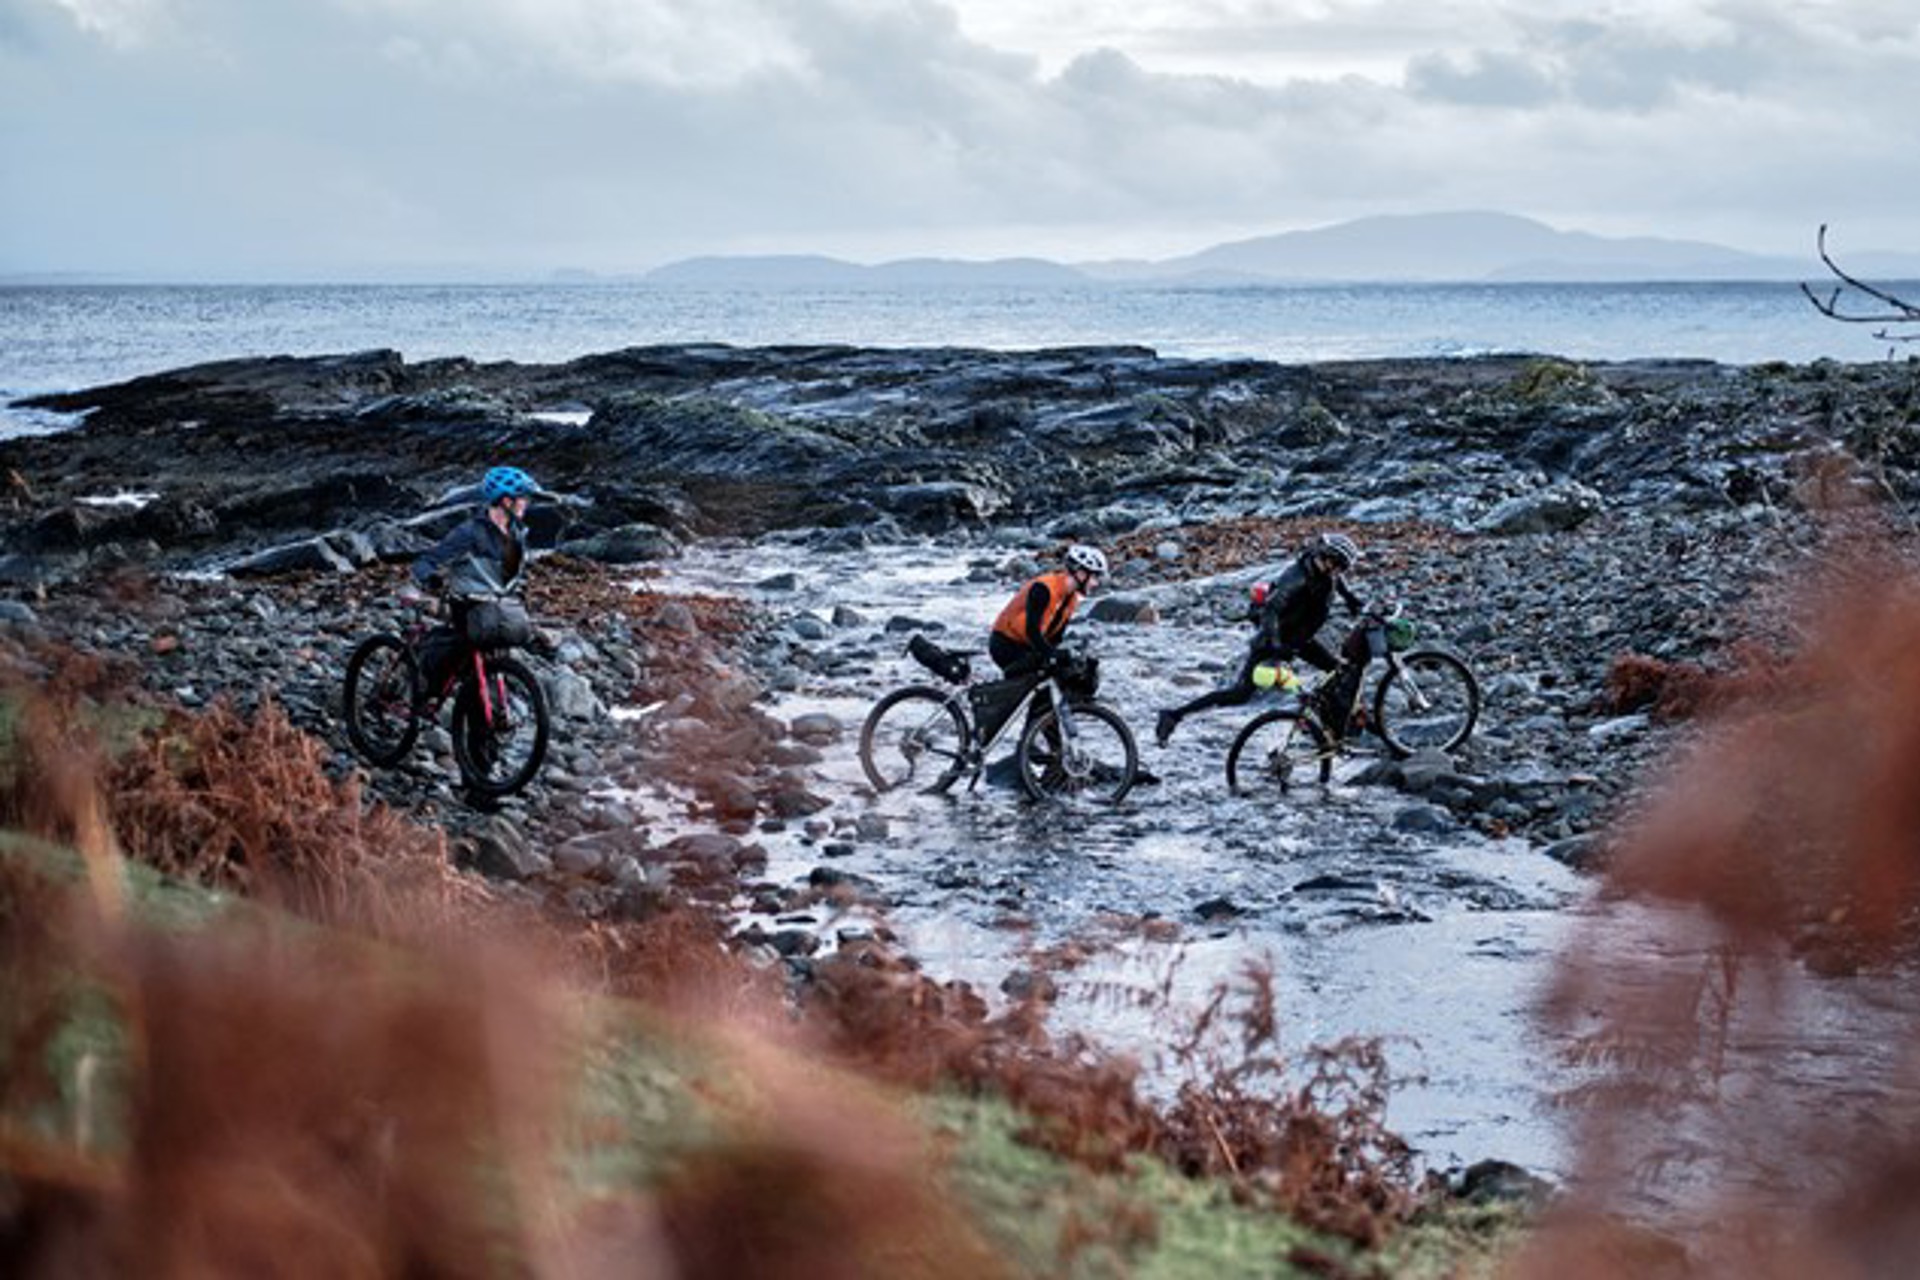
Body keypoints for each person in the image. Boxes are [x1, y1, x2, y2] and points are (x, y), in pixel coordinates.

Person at [1155, 531, 1363, 746]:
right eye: (1336, 565)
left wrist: (1351, 599)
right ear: (1325, 556)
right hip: (1273, 640)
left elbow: (1334, 582)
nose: (1337, 571)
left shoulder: (1325, 571)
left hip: (1299, 639)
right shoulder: (1295, 578)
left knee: (1338, 671)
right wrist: (1276, 646)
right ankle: (1172, 716)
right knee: (1239, 694)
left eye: (1342, 568)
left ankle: (1324, 722)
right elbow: (1270, 612)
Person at [405, 465, 540, 699]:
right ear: (506, 501)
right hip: (468, 608)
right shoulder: (469, 533)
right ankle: (424, 685)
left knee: (488, 664)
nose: (526, 503)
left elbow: (513, 574)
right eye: (522, 498)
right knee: (457, 654)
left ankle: (474, 720)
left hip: (497, 610)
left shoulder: (517, 535)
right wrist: (430, 580)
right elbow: (426, 561)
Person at [989, 544, 1108, 677]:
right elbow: (1032, 632)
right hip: (1006, 644)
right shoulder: (1043, 589)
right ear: (1081, 574)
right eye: (1094, 577)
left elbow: (1056, 638)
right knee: (1044, 666)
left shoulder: (1071, 598)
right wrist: (1052, 655)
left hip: (1029, 646)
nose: (1096, 584)